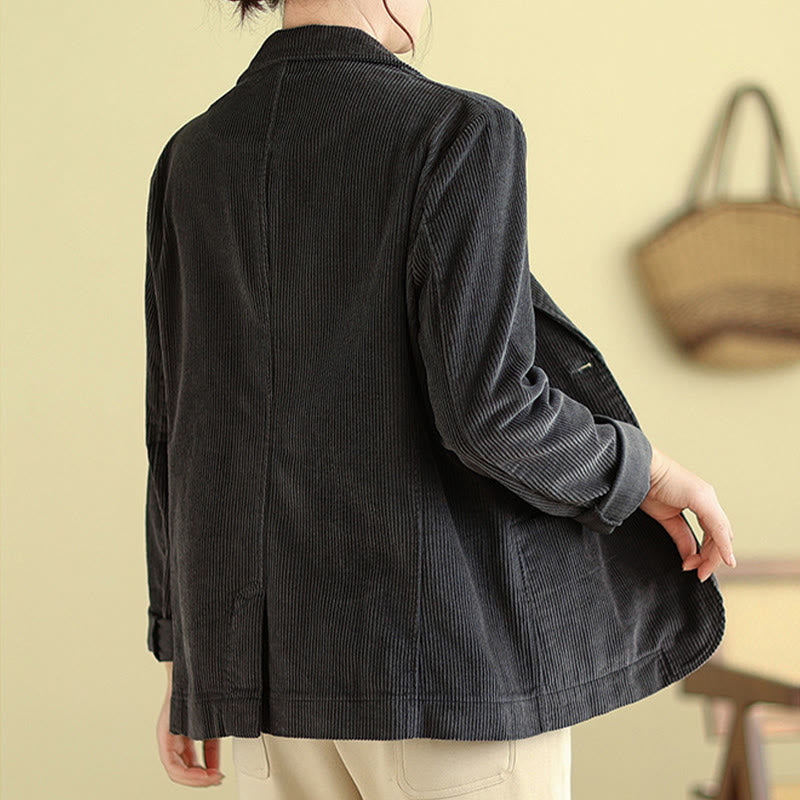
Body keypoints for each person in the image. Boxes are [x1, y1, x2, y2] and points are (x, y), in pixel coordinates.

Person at [143, 0, 735, 796]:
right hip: (443, 674)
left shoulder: (191, 157)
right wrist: (646, 471)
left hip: (266, 686)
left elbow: (176, 427)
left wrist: (185, 662)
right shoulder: (458, 132)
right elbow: (490, 412)